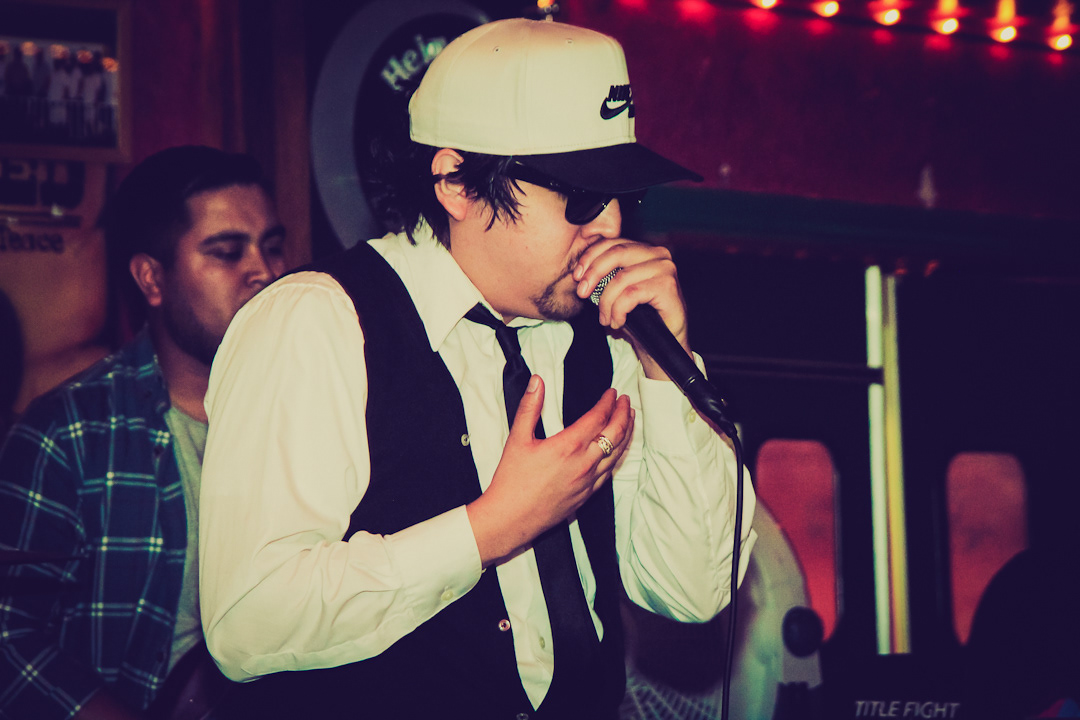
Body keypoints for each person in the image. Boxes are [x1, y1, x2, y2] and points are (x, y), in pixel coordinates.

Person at [199, 18, 756, 720]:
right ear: (457, 183)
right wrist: (489, 528)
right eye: (580, 196)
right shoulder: (316, 321)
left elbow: (693, 589)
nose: (610, 226)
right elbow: (249, 623)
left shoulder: (606, 339)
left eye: (622, 196)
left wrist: (665, 368)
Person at [0, 145, 286, 720]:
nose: (265, 271)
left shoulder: (311, 406)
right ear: (152, 279)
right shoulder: (67, 434)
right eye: (227, 252)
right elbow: (11, 634)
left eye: (273, 246)